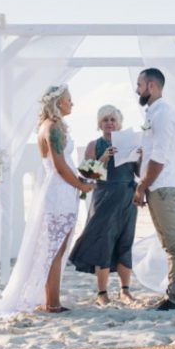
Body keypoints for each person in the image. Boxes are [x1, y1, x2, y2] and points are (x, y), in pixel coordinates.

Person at [0, 85, 93, 314]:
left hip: (62, 190)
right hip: (60, 193)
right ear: (58, 103)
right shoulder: (53, 128)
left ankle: (51, 300)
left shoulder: (50, 126)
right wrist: (81, 185)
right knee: (55, 249)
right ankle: (52, 303)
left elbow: (64, 165)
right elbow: (59, 166)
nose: (72, 103)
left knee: (55, 248)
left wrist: (80, 179)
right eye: (69, 99)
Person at [68, 105, 139, 306]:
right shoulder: (94, 145)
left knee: (125, 242)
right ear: (100, 124)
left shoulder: (129, 143)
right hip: (104, 198)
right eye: (106, 120)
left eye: (113, 120)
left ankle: (125, 291)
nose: (110, 123)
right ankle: (102, 293)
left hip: (127, 197)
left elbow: (139, 173)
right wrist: (104, 157)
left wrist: (140, 156)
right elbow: (87, 176)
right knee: (103, 242)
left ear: (119, 123)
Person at [132, 68, 175, 312]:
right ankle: (174, 294)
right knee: (169, 244)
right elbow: (149, 154)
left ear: (152, 86)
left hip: (163, 185)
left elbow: (160, 156)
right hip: (156, 186)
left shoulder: (163, 112)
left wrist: (141, 187)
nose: (137, 89)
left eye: (139, 84)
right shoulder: (153, 112)